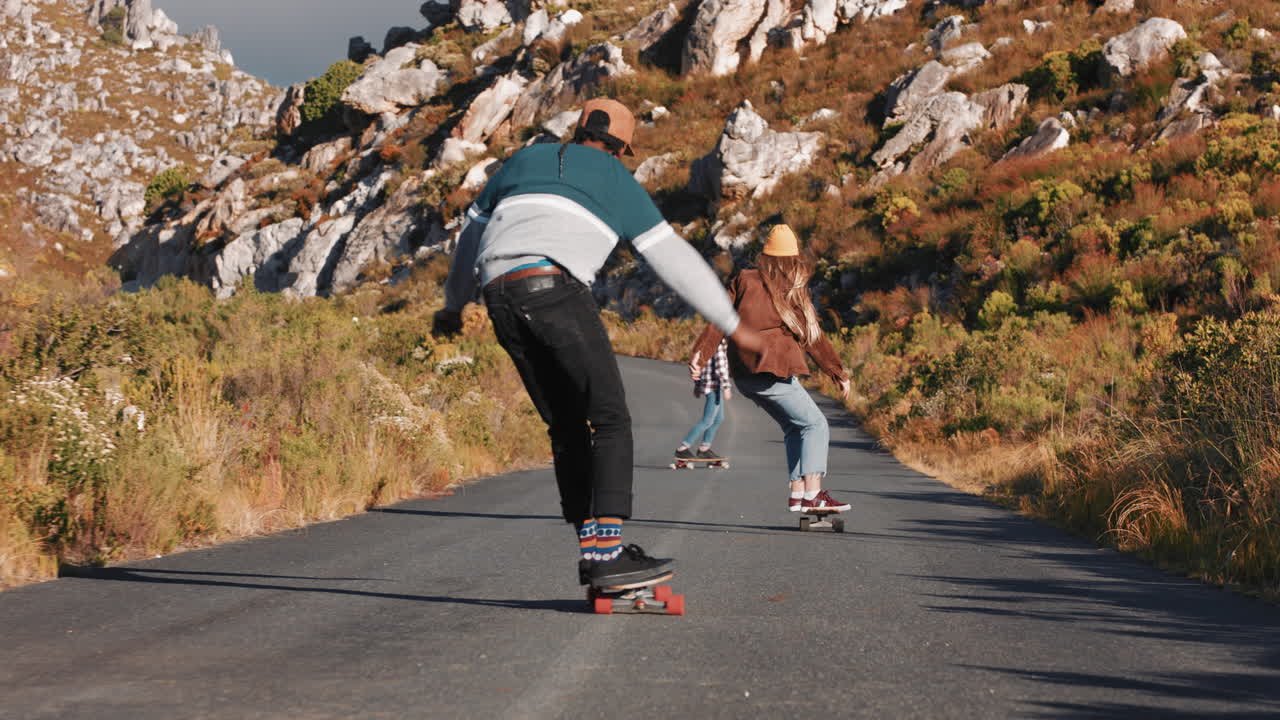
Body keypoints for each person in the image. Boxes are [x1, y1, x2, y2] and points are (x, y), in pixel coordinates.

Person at [433, 98, 763, 587]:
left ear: (578, 129)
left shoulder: (522, 161)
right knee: (609, 417)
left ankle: (594, 550)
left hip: (499, 296)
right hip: (553, 288)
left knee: (566, 426)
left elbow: (469, 236)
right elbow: (672, 257)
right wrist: (732, 325)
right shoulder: (615, 179)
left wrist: (453, 305)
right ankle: (609, 556)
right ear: (621, 148)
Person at [688, 223, 852, 513]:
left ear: (765, 256)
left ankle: (798, 494)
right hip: (771, 371)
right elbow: (814, 338)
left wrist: (701, 354)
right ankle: (813, 495)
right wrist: (838, 373)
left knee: (794, 427)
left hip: (745, 375)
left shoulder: (744, 279)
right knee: (815, 425)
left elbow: (719, 319)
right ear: (793, 257)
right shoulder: (792, 288)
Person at [673, 338, 730, 464]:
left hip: (712, 386)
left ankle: (704, 448)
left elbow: (699, 365)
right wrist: (726, 387)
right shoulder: (718, 345)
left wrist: (697, 385)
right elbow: (721, 369)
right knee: (707, 420)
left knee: (718, 418)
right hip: (714, 387)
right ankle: (683, 448)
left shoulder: (709, 344)